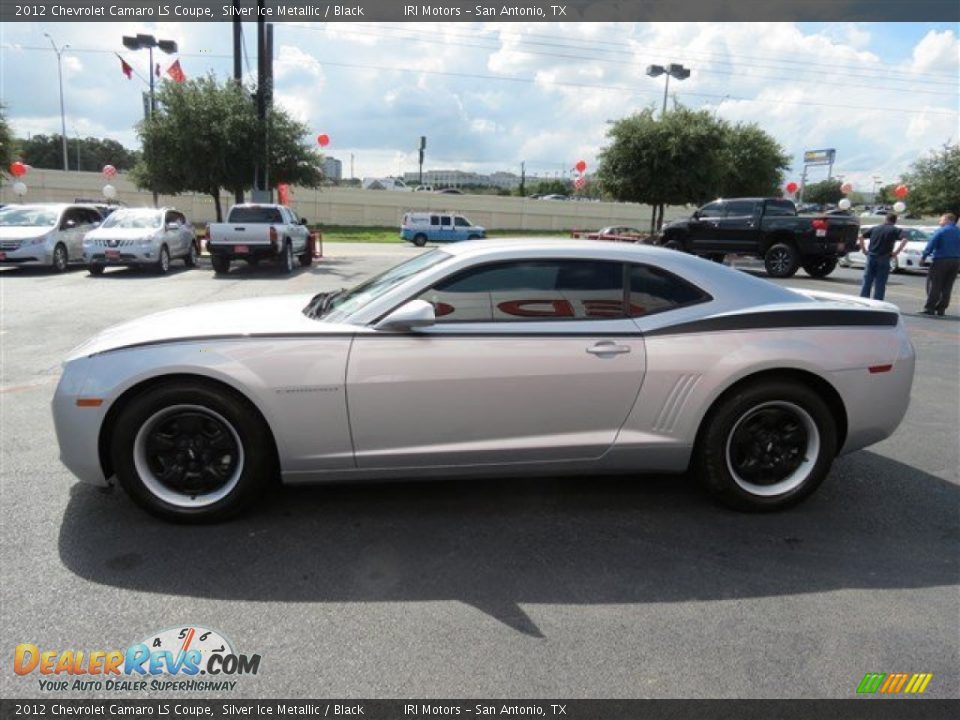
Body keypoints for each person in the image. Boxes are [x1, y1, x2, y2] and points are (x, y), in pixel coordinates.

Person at [859, 213, 908, 302]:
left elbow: (861, 237)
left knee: (867, 280)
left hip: (871, 255)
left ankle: (863, 300)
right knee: (880, 282)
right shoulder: (896, 230)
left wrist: (864, 250)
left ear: (885, 219)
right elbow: (904, 240)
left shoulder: (875, 228)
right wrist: (896, 253)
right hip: (884, 257)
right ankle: (877, 302)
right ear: (895, 221)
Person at [920, 213, 960, 316]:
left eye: (941, 220)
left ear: (948, 220)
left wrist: (924, 256)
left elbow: (931, 243)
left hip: (941, 260)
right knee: (947, 286)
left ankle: (930, 308)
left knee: (935, 285)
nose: (939, 222)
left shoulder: (941, 231)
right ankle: (941, 308)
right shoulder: (958, 231)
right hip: (956, 261)